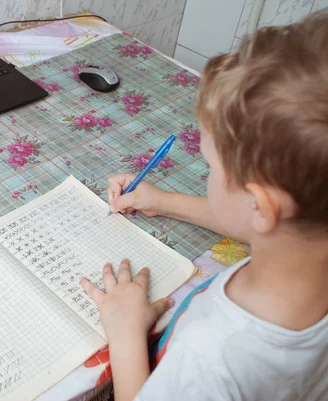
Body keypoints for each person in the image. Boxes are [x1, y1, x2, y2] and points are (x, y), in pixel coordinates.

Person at [80, 11, 328, 401]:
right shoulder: (306, 254)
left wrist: (126, 332)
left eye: (210, 167)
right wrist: (163, 202)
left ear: (261, 206)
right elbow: (269, 227)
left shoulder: (212, 358)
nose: (207, 173)